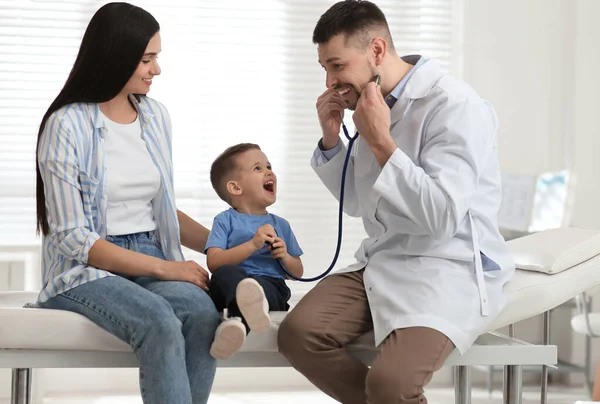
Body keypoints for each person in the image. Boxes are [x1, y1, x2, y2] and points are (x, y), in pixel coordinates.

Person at [277, 1, 516, 403]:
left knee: (390, 384)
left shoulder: (454, 106)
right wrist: (333, 140)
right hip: (386, 258)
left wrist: (381, 142)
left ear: (376, 50)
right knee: (299, 334)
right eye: (325, 69)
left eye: (337, 66)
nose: (330, 82)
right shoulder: (375, 102)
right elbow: (357, 202)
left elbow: (441, 218)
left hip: (446, 265)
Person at [30, 3, 220, 403]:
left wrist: (227, 247)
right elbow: (72, 236)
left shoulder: (155, 117)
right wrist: (168, 268)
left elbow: (162, 210)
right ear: (115, 54)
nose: (157, 70)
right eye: (147, 58)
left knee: (203, 315)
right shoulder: (66, 124)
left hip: (149, 251)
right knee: (158, 322)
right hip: (85, 268)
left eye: (157, 58)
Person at [204, 143, 304, 359]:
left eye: (269, 166)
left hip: (270, 285)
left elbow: (297, 271)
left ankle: (237, 327)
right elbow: (214, 262)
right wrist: (252, 244)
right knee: (223, 274)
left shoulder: (281, 225)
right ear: (235, 188)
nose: (269, 171)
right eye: (257, 168)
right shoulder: (224, 220)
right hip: (234, 288)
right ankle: (249, 312)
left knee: (263, 289)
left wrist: (284, 256)